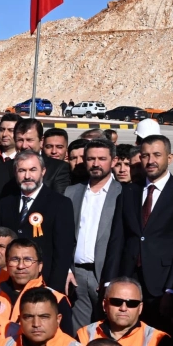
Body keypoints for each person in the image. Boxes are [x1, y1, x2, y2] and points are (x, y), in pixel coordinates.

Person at [103, 134, 173, 330]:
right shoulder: (129, 192)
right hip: (128, 278)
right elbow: (117, 239)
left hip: (161, 285)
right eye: (145, 156)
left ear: (169, 158)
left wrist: (172, 289)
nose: (151, 161)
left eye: (157, 155)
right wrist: (109, 282)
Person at [0, 149, 75, 293]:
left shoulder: (60, 203)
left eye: (33, 170)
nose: (27, 176)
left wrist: (54, 289)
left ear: (43, 171)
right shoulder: (6, 202)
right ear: (15, 173)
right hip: (10, 283)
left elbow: (63, 251)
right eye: (22, 170)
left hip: (44, 283)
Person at [64, 139, 121, 326]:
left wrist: (112, 278)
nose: (96, 164)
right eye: (91, 159)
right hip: (76, 275)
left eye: (102, 159)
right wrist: (67, 269)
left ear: (113, 161)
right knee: (77, 332)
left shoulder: (124, 193)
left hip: (106, 275)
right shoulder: (71, 192)